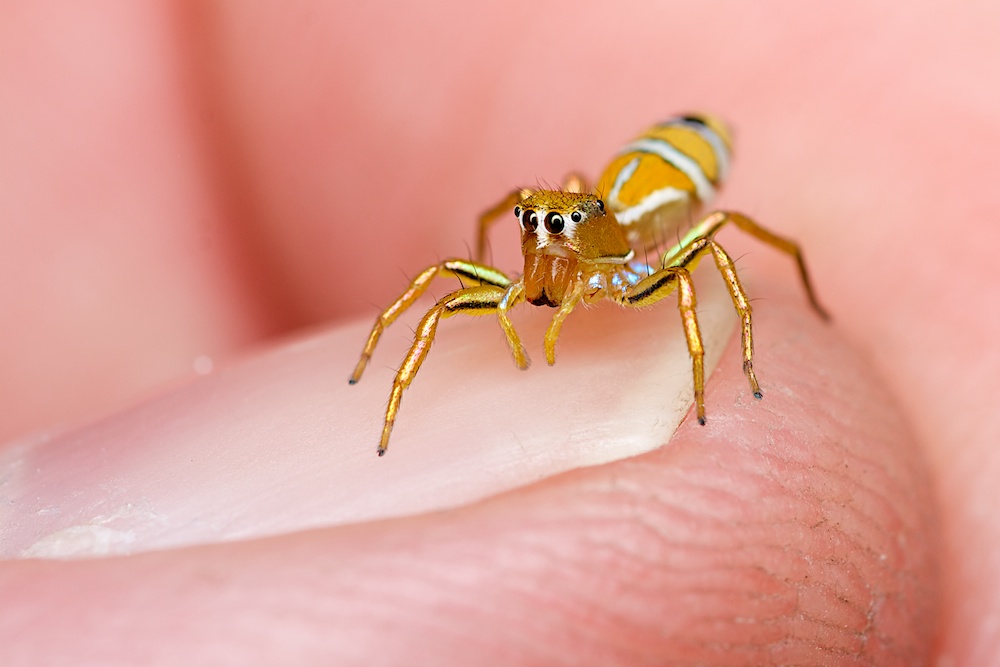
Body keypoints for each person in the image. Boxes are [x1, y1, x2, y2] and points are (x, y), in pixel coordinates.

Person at [2, 2, 997, 664]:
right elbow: (448, 279)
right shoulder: (542, 241)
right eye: (530, 231)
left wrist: (711, 374)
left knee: (725, 246)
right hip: (617, 194)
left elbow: (723, 259)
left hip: (669, 181)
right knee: (441, 292)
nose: (539, 247)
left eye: (551, 229)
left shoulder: (637, 251)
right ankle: (381, 385)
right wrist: (384, 362)